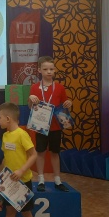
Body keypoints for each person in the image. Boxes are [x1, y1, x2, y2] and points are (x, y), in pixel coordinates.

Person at [0, 102, 38, 217]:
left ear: (8, 118)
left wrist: (21, 171)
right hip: (9, 183)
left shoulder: (22, 134)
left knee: (26, 212)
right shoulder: (5, 136)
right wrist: (1, 175)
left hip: (23, 181)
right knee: (9, 211)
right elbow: (6, 158)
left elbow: (33, 155)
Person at [28, 55, 72, 192]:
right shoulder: (35, 88)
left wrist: (68, 103)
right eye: (45, 69)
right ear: (39, 70)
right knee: (40, 152)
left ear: (54, 70)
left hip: (55, 126)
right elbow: (30, 107)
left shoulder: (59, 88)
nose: (49, 72)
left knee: (55, 152)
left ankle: (57, 180)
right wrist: (30, 99)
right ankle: (41, 179)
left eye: (51, 69)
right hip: (40, 126)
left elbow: (65, 107)